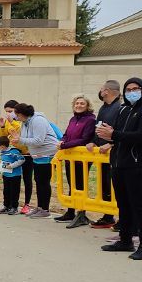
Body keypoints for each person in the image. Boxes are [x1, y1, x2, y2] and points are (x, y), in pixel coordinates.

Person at [96, 78, 142, 260]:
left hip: (137, 164)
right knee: (123, 204)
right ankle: (125, 240)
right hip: (119, 164)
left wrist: (113, 134)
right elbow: (120, 135)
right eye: (129, 89)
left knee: (140, 205)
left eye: (136, 88)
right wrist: (110, 135)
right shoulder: (124, 109)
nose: (132, 91)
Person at [56, 95, 97, 228]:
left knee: (80, 185)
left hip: (82, 158)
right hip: (70, 157)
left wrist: (65, 146)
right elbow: (67, 134)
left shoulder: (91, 120)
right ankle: (70, 212)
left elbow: (85, 139)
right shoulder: (73, 119)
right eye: (77, 103)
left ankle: (81, 213)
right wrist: (63, 140)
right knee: (71, 184)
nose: (78, 105)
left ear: (87, 106)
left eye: (82, 103)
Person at [12, 103, 59, 219]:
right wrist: (18, 140)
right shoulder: (25, 123)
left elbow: (39, 140)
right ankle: (40, 207)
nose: (15, 117)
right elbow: (25, 139)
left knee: (43, 182)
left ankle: (45, 209)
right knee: (38, 181)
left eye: (17, 115)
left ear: (22, 114)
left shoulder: (38, 121)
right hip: (37, 155)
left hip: (47, 154)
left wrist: (20, 140)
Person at [87, 80, 124, 228]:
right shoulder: (104, 108)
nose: (100, 91)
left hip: (118, 154)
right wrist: (93, 141)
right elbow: (99, 128)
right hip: (102, 155)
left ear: (107, 91)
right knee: (104, 185)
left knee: (119, 187)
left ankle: (124, 218)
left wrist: (111, 143)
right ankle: (108, 216)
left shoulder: (120, 107)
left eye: (101, 89)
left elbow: (123, 130)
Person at [0, 100, 34, 214]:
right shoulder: (8, 121)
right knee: (10, 182)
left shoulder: (22, 122)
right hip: (12, 153)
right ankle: (8, 205)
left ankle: (26, 204)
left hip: (25, 153)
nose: (8, 113)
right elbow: (3, 138)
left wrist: (12, 122)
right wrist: (3, 126)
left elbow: (19, 133)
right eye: (6, 111)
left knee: (27, 179)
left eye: (11, 111)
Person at [0, 136, 25, 214]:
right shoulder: (3, 152)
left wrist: (12, 166)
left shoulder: (13, 151)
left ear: (2, 146)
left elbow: (22, 160)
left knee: (14, 191)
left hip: (15, 175)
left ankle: (14, 207)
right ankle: (6, 206)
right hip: (6, 175)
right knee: (6, 191)